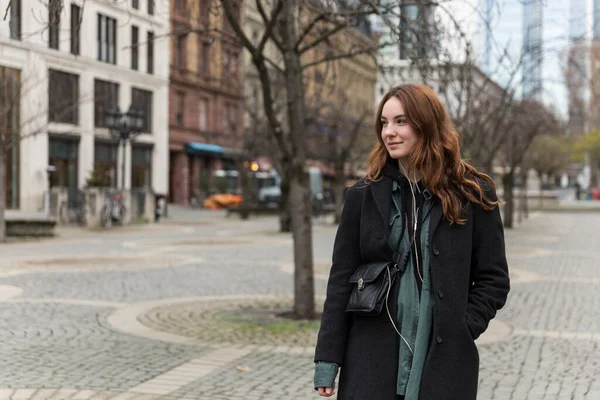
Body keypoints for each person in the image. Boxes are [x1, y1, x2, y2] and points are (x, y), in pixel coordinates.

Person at [313, 84, 510, 400]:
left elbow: (493, 279)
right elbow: (340, 283)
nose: (389, 132)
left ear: (427, 125)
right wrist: (327, 360)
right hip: (370, 357)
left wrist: (463, 327)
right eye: (384, 123)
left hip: (443, 360)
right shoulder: (362, 196)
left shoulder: (473, 193)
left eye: (400, 121)